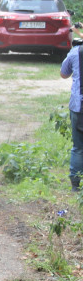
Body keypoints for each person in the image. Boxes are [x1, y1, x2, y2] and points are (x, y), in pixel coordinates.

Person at [60, 41, 83, 191]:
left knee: (79, 147)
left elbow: (64, 73)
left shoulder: (75, 52)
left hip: (79, 106)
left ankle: (76, 185)